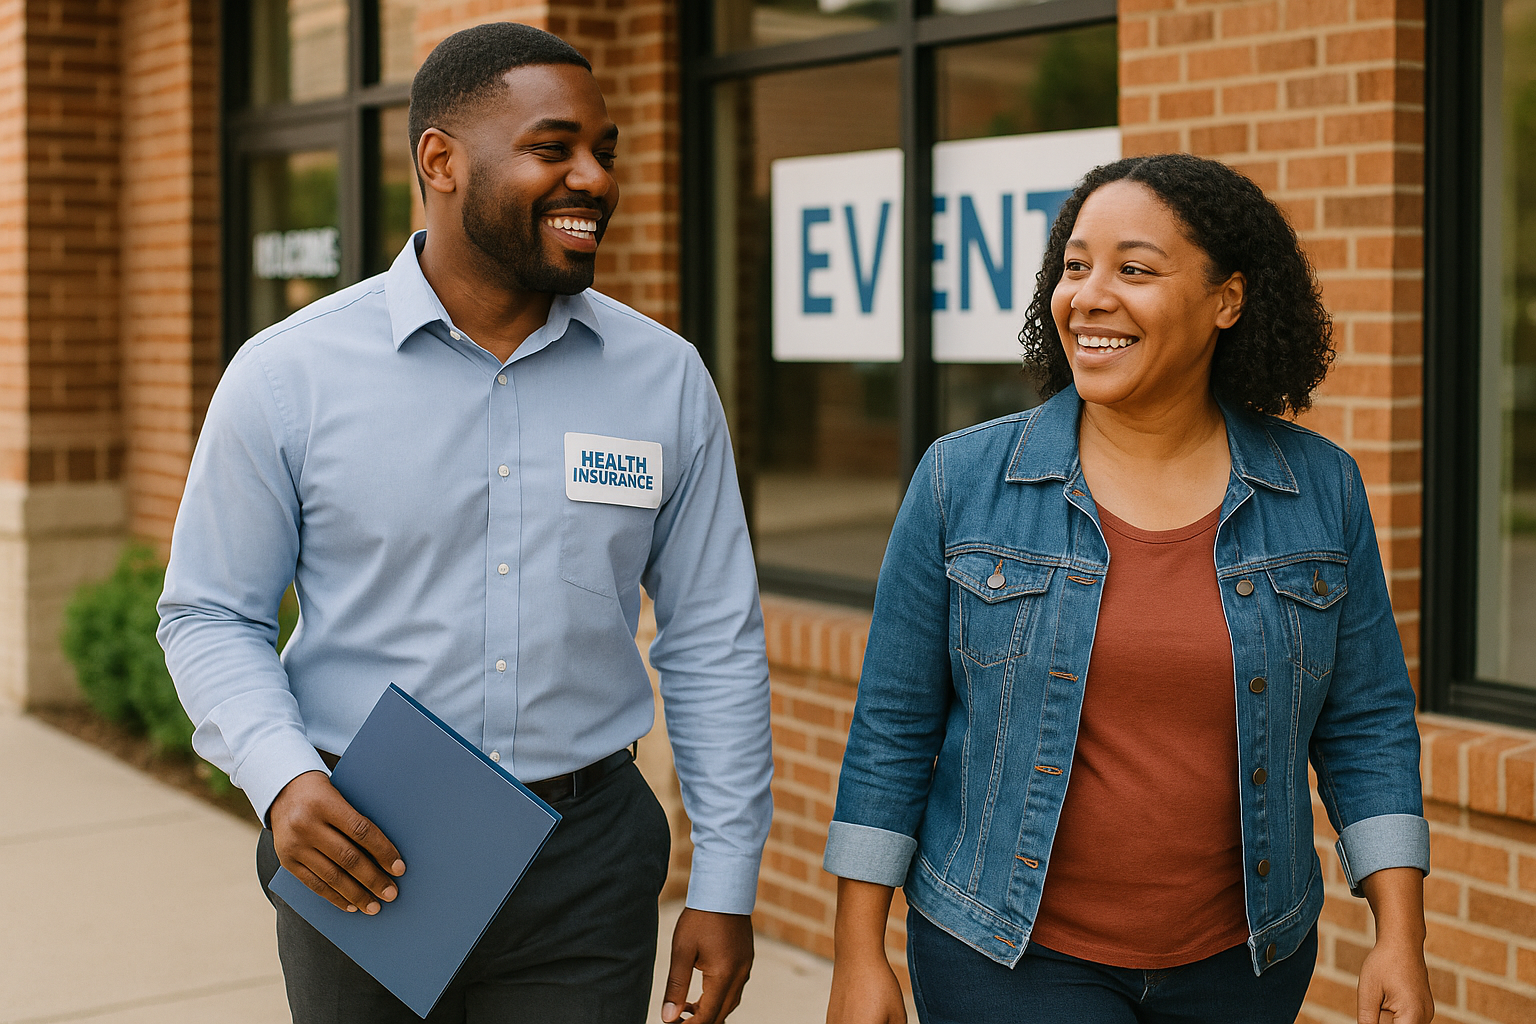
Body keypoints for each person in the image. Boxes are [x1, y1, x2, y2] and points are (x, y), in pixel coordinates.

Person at [158, 23, 772, 1024]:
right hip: (363, 847)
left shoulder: (664, 379)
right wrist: (281, 778)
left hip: (587, 861)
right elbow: (208, 613)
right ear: (440, 160)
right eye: (553, 147)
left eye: (603, 151)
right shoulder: (287, 375)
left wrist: (727, 878)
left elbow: (714, 641)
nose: (595, 179)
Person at [821, 153, 1433, 1024]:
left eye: (1134, 269)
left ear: (1227, 299)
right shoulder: (963, 481)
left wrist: (1399, 935)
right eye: (1075, 267)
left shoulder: (1318, 488)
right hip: (1007, 951)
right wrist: (859, 952)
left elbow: (1366, 722)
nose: (1088, 295)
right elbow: (892, 726)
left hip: (1246, 961)